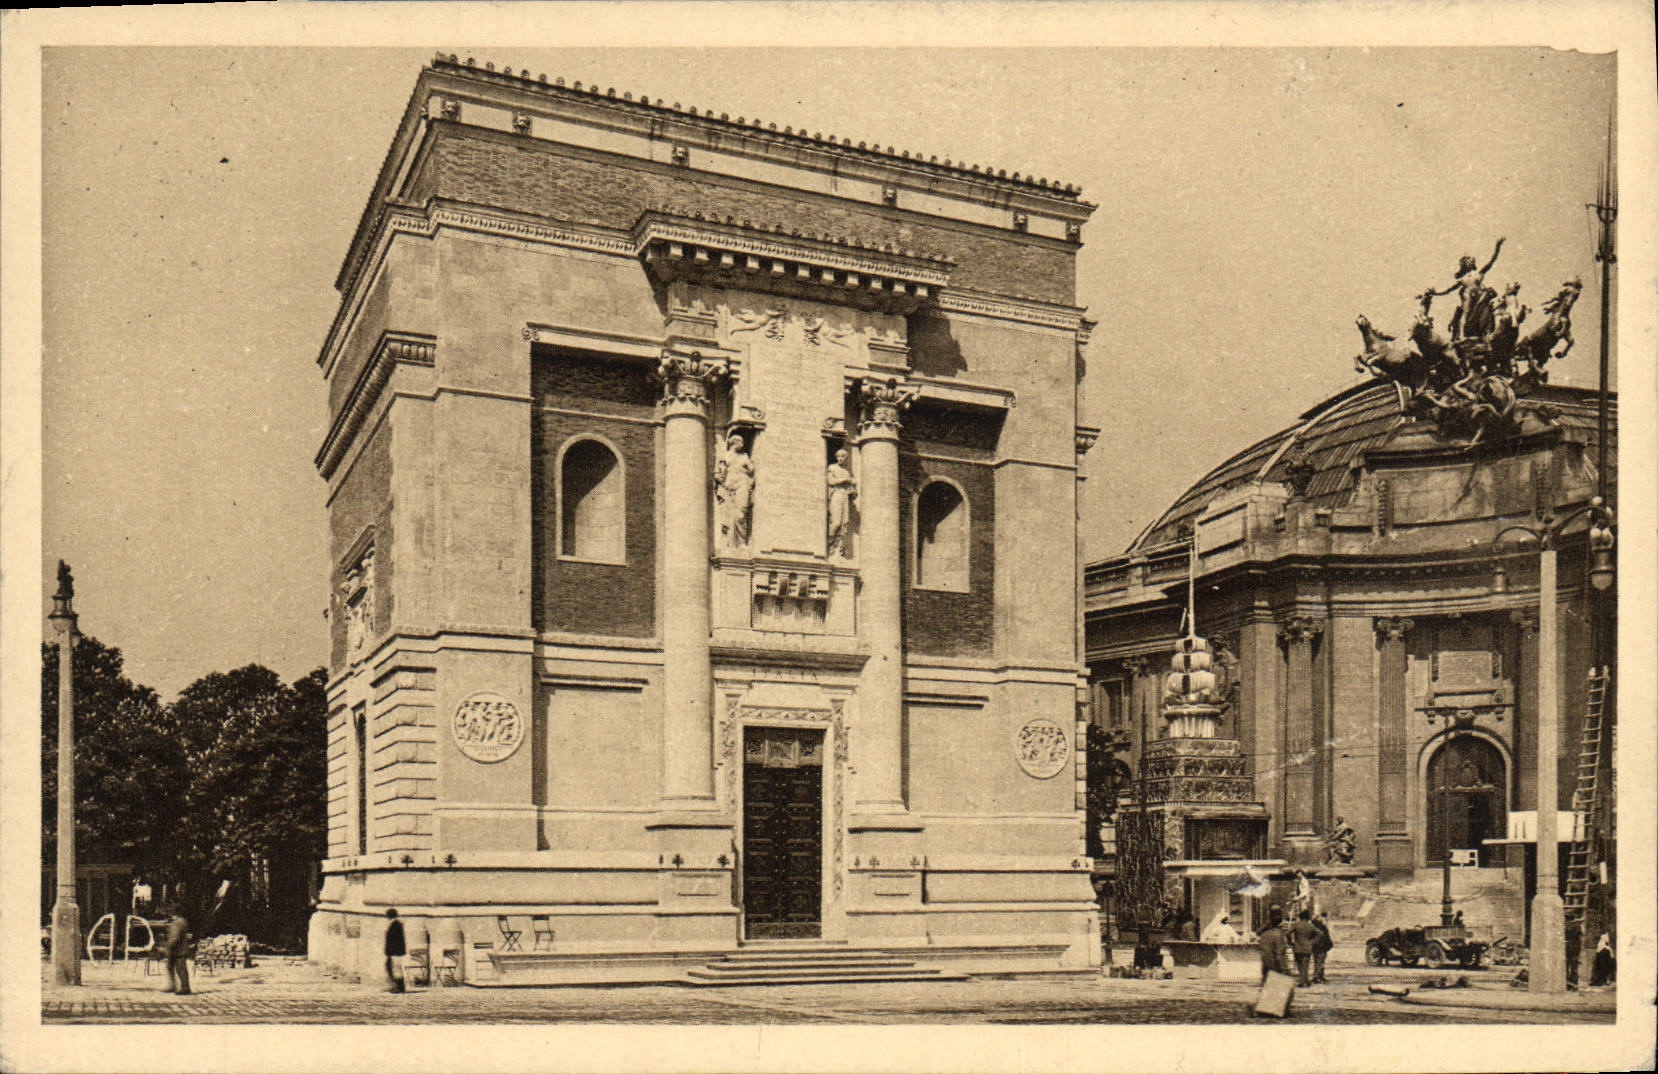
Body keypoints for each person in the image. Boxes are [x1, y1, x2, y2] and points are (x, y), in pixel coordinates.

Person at [713, 431, 755, 550]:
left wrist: (749, 467)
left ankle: (741, 542)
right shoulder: (724, 455)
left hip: (743, 485)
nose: (742, 444)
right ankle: (730, 542)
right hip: (729, 488)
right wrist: (723, 482)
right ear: (734, 442)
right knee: (730, 514)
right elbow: (719, 474)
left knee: (741, 514)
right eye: (740, 442)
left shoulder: (744, 456)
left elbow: (751, 469)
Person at [825, 449, 856, 557]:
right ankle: (827, 544)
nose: (840, 459)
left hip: (844, 496)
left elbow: (851, 489)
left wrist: (852, 488)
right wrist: (846, 480)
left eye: (843, 456)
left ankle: (838, 549)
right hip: (836, 495)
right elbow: (831, 481)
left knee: (844, 524)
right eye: (839, 456)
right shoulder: (832, 468)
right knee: (836, 522)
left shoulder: (846, 472)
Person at [161, 904, 192, 995]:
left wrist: (168, 946)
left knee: (180, 969)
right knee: (171, 967)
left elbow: (175, 937)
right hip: (177, 949)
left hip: (178, 949)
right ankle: (173, 986)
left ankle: (185, 988)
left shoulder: (177, 922)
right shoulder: (181, 921)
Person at [1258, 910, 1290, 984]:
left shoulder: (1264, 935)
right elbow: (1279, 954)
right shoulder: (1279, 935)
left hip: (1265, 966)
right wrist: (1285, 970)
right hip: (1275, 968)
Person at [1289, 909, 1318, 987]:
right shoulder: (1310, 926)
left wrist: (1290, 942)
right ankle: (1305, 981)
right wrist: (1313, 941)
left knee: (1299, 965)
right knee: (1306, 965)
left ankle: (1303, 981)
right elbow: (1319, 934)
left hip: (1297, 947)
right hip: (1307, 947)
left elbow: (1288, 933)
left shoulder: (1296, 925)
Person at [384, 907, 406, 993]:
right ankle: (396, 986)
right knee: (392, 967)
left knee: (396, 968)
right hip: (394, 951)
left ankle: (400, 987)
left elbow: (395, 940)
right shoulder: (395, 924)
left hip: (395, 951)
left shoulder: (395, 925)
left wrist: (390, 951)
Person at [1311, 911, 1334, 983]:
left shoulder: (1316, 928)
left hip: (1319, 947)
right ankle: (1317, 977)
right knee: (1319, 962)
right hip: (1321, 947)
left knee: (1319, 962)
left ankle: (1319, 976)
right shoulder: (1321, 929)